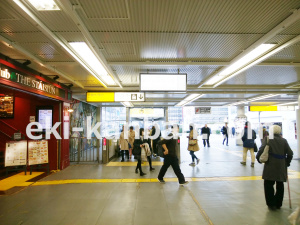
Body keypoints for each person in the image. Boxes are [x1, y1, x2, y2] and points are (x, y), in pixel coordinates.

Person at [256, 125, 293, 210]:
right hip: (281, 166)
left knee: (268, 184)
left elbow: (261, 149)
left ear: (271, 131)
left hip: (270, 165)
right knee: (280, 185)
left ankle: (271, 204)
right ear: (279, 131)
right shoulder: (284, 141)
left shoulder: (268, 139)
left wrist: (258, 159)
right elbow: (290, 153)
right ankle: (278, 204)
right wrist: (287, 163)